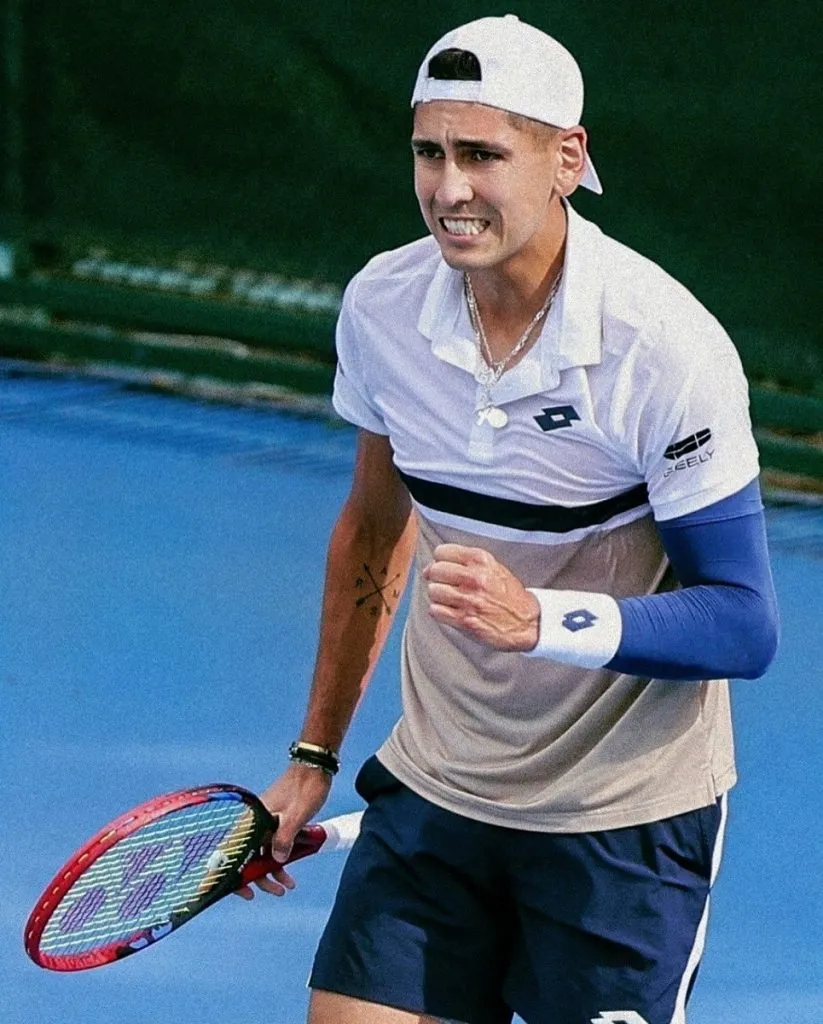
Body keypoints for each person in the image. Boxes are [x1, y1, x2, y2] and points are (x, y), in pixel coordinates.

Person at [248, 15, 779, 1024]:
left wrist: (542, 619)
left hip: (621, 823)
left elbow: (743, 622)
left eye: (482, 155)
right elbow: (371, 532)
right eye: (429, 152)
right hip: (437, 789)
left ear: (565, 160)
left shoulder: (662, 346)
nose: (449, 190)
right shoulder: (381, 309)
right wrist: (313, 757)